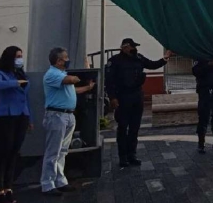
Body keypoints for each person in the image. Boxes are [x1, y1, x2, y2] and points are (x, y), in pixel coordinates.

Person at [105, 38, 173, 167]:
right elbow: (109, 81)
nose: (134, 49)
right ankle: (123, 157)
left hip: (137, 96)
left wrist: (165, 58)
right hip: (122, 97)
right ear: (125, 47)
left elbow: (152, 65)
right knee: (123, 127)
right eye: (132, 47)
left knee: (135, 127)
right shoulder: (114, 61)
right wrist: (112, 98)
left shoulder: (139, 58)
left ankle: (132, 155)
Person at [41, 47, 94, 196]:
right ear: (58, 61)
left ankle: (60, 180)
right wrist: (81, 75)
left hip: (68, 115)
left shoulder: (61, 74)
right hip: (56, 115)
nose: (67, 60)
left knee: (62, 150)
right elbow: (70, 80)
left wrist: (87, 87)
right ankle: (47, 183)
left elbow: (72, 90)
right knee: (53, 151)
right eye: (66, 57)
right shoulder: (52, 74)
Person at [0, 46, 32, 203]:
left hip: (21, 116)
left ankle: (8, 186)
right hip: (5, 117)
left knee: (14, 153)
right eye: (17, 56)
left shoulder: (21, 73)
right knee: (2, 153)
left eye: (21, 56)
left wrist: (30, 119)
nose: (20, 59)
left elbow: (25, 98)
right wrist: (15, 83)